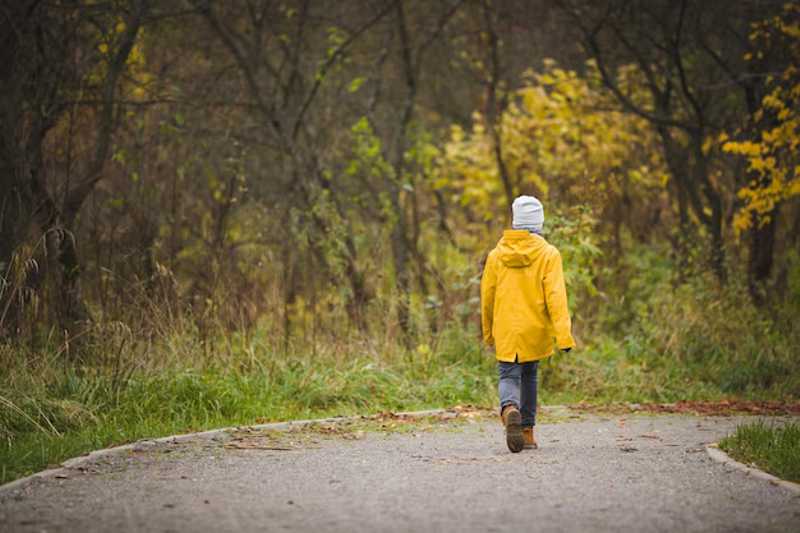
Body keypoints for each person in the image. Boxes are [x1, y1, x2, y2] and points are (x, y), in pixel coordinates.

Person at [480, 195, 576, 453]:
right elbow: (556, 297)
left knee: (508, 375)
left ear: (515, 221)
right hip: (535, 328)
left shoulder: (496, 255)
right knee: (530, 376)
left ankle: (509, 408)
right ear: (539, 223)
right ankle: (527, 433)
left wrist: (488, 332)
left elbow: (487, 297)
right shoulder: (548, 254)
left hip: (505, 328)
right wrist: (564, 336)